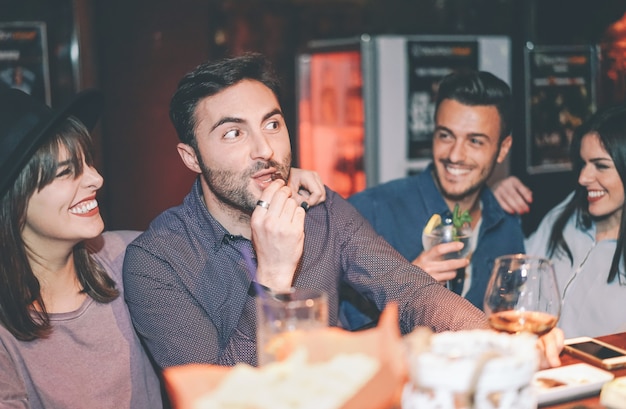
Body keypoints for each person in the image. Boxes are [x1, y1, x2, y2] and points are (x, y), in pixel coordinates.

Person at [123, 53, 562, 371]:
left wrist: (498, 340)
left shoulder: (320, 209)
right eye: (234, 133)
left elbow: (410, 291)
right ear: (191, 157)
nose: (265, 150)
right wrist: (274, 277)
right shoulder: (157, 262)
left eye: (273, 124)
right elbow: (218, 396)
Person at [0, 87, 162, 407]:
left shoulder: (131, 257)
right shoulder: (7, 337)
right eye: (66, 172)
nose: (96, 179)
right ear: (15, 204)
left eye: (88, 163)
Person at [348, 70, 524, 310]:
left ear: (503, 149)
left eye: (475, 141)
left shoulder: (506, 226)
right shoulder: (370, 213)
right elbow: (332, 323)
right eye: (445, 136)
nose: (454, 155)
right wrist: (405, 287)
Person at [495, 104, 626, 338]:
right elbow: (515, 271)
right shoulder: (568, 214)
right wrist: (493, 203)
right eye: (583, 163)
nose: (583, 177)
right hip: (534, 362)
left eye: (601, 166)